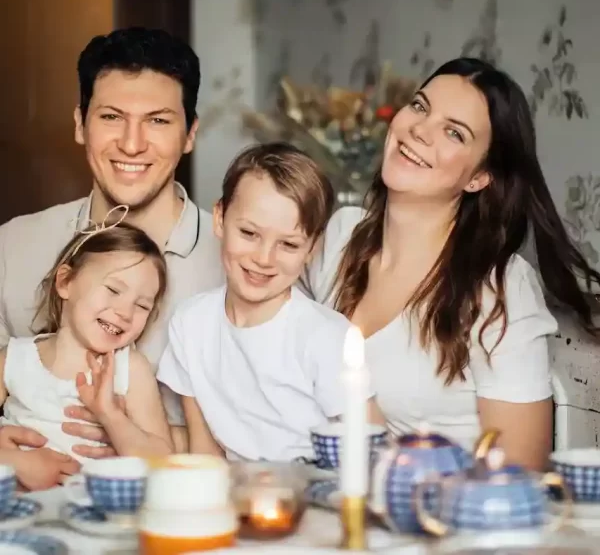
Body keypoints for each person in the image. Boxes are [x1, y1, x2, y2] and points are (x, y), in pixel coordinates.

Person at [303, 57, 600, 471]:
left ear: (479, 178)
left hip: (438, 525)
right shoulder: (339, 236)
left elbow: (519, 475)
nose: (419, 130)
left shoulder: (499, 290)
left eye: (454, 133)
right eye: (421, 107)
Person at [0, 27, 223, 474]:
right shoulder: (13, 246)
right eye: (111, 117)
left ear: (190, 134)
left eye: (158, 120)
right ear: (80, 124)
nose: (132, 143)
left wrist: (139, 434)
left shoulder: (238, 264)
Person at [157, 143, 383, 461]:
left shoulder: (327, 337)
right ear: (219, 218)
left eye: (289, 244)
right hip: (235, 497)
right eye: (249, 233)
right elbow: (204, 450)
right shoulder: (190, 323)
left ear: (313, 248)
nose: (264, 259)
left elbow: (372, 449)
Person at [0, 209, 173, 473]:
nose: (125, 313)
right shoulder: (14, 358)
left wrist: (111, 416)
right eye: (113, 290)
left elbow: (163, 462)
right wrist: (17, 462)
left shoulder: (130, 369)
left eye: (142, 305)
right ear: (65, 281)